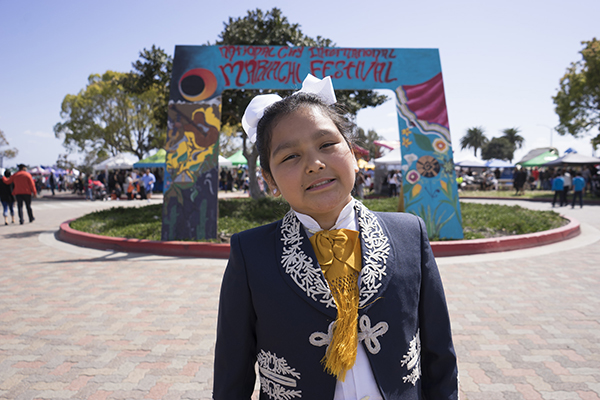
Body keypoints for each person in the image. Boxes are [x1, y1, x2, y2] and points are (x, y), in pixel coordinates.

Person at [213, 75, 459, 399]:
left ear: (354, 154)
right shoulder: (251, 254)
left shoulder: (409, 234)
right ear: (269, 179)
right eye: (290, 156)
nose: (315, 164)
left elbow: (439, 356)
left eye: (327, 144)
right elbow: (233, 376)